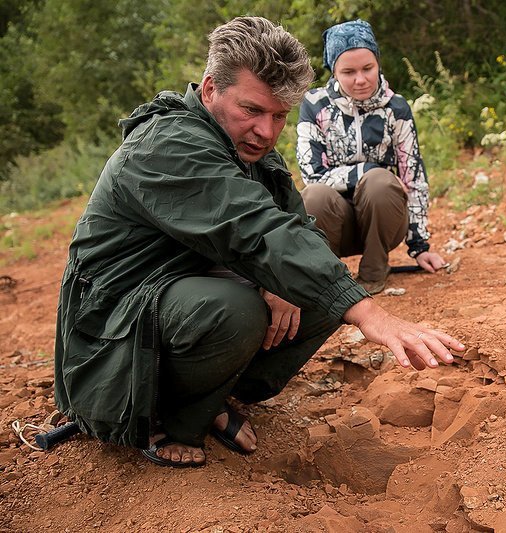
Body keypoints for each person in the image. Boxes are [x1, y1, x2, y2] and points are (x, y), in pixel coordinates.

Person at [53, 16, 463, 469]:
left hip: (177, 298)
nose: (267, 132)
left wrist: (285, 283)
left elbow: (294, 229)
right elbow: (254, 229)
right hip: (114, 330)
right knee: (237, 309)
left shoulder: (249, 147)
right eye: (252, 110)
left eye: (279, 116)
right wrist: (371, 314)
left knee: (315, 285)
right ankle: (172, 418)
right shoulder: (168, 143)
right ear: (210, 90)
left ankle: (215, 394)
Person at [296, 19, 448, 295]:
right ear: (333, 71)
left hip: (383, 219)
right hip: (335, 223)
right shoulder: (315, 105)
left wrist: (419, 247)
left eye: (368, 68)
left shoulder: (396, 108)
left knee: (379, 182)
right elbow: (312, 173)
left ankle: (374, 272)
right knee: (314, 195)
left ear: (378, 63)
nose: (361, 79)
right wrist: (367, 168)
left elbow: (413, 177)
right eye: (348, 71)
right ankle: (329, 279)